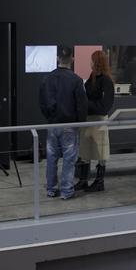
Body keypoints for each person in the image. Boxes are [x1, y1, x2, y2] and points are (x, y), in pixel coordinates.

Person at [38, 47, 87, 200]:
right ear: (72, 59)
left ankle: (51, 189)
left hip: (52, 124)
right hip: (70, 126)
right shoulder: (76, 80)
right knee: (69, 159)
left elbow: (42, 102)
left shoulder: (47, 79)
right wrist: (81, 123)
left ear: (58, 58)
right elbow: (81, 105)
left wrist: (49, 117)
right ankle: (66, 191)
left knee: (52, 158)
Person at [74, 50, 114, 193]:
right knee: (85, 151)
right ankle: (83, 180)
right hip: (88, 120)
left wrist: (86, 104)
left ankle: (99, 182)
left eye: (91, 60)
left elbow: (105, 105)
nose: (89, 62)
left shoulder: (106, 81)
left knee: (100, 152)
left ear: (96, 62)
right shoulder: (92, 77)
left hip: (98, 120)